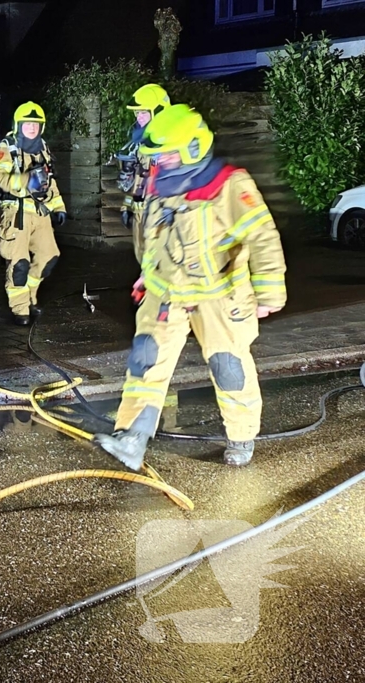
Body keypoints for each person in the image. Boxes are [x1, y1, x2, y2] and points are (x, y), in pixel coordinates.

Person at [94, 104, 287, 470]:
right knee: (145, 361)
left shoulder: (229, 185)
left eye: (167, 155)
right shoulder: (161, 184)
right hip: (166, 293)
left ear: (193, 148)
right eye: (157, 156)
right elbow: (154, 239)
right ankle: (133, 438)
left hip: (220, 296)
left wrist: (269, 293)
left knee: (229, 367)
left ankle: (242, 436)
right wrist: (146, 277)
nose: (160, 162)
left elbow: (262, 236)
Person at [0, 102, 67, 326]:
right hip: (17, 214)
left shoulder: (43, 147)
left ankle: (31, 297)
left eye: (36, 124)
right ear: (18, 124)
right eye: (27, 124)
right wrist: (25, 182)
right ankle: (20, 309)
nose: (31, 128)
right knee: (19, 264)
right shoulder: (8, 146)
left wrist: (58, 207)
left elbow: (48, 181)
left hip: (41, 214)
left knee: (49, 257)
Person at [117, 84, 172, 262]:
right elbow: (136, 178)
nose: (139, 118)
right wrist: (126, 206)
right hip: (140, 212)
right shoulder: (140, 144)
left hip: (160, 213)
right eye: (137, 113)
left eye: (144, 113)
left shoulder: (171, 143)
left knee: (161, 261)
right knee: (142, 259)